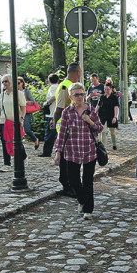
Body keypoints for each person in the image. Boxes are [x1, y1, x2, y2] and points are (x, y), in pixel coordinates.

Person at [54, 82, 102, 219]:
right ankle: (81, 200)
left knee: (88, 181)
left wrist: (90, 121)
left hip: (89, 150)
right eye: (77, 95)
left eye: (82, 94)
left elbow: (99, 128)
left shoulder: (91, 111)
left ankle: (88, 209)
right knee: (73, 179)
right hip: (72, 150)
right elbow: (62, 133)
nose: (80, 97)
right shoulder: (67, 112)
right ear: (71, 96)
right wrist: (58, 152)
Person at [53, 63, 83, 194]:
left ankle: (70, 182)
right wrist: (54, 122)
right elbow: (59, 108)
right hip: (65, 126)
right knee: (66, 157)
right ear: (78, 72)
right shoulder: (66, 86)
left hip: (72, 125)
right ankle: (67, 184)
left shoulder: (69, 85)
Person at [0, 75, 26, 173]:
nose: (5, 83)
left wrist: (21, 119)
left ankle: (21, 157)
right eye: (3, 82)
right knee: (5, 141)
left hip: (15, 121)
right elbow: (1, 109)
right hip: (4, 121)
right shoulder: (2, 95)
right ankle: (7, 163)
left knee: (17, 140)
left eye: (6, 81)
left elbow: (23, 107)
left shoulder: (18, 94)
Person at [40, 72, 62, 157]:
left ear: (49, 80)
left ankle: (47, 152)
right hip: (56, 113)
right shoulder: (59, 87)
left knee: (49, 134)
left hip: (52, 113)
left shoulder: (53, 88)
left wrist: (46, 103)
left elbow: (54, 97)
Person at [18, 77, 40, 152]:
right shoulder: (14, 92)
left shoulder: (26, 91)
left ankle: (35, 139)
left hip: (26, 112)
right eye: (16, 83)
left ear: (22, 83)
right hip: (17, 112)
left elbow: (33, 102)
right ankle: (19, 146)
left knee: (26, 129)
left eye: (19, 83)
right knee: (17, 130)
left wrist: (24, 102)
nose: (17, 85)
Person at [97, 82, 120, 150]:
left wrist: (115, 117)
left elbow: (116, 107)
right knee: (103, 131)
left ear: (111, 89)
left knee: (112, 132)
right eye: (105, 89)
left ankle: (114, 144)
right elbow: (98, 106)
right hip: (103, 116)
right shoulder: (102, 97)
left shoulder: (114, 97)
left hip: (111, 116)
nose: (106, 91)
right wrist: (94, 112)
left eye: (108, 89)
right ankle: (104, 147)